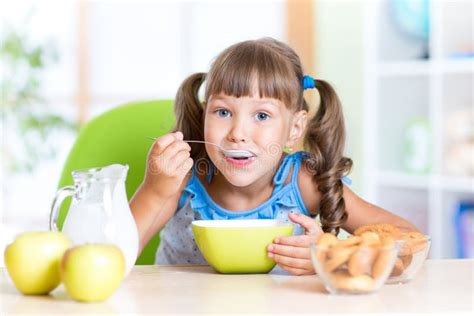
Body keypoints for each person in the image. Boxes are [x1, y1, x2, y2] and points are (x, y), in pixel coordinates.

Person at [130, 37, 420, 275]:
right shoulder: (181, 177)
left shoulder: (304, 181)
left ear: (295, 128)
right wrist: (154, 191)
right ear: (204, 114)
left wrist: (333, 258)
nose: (237, 133)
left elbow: (411, 243)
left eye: (261, 115)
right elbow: (112, 255)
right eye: (222, 112)